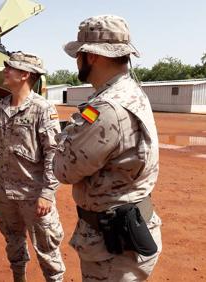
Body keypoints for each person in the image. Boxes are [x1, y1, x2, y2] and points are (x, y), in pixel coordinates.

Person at [53, 15, 162, 281]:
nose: (77, 61)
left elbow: (64, 170)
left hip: (113, 249)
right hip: (126, 231)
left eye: (79, 54)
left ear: (91, 57)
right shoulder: (129, 92)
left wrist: (64, 139)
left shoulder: (106, 108)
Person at [0, 52, 66, 282]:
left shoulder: (42, 109)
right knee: (13, 242)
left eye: (11, 67)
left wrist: (48, 193)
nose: (5, 70)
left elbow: (54, 152)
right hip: (7, 194)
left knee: (47, 248)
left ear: (25, 74)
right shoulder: (0, 108)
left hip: (34, 195)